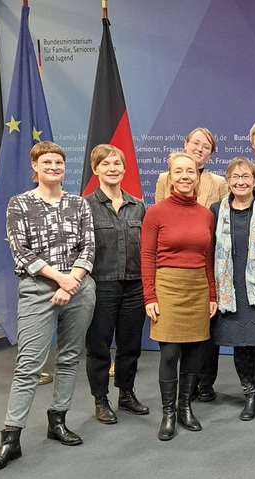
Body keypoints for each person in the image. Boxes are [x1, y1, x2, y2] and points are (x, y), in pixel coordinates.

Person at [0, 141, 96, 472]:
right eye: (46, 162)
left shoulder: (78, 204)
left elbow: (88, 246)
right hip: (37, 290)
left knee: (70, 357)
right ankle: (10, 438)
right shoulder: (19, 204)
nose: (53, 167)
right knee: (28, 365)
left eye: (59, 162)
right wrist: (59, 281)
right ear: (35, 167)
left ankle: (57, 421)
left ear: (65, 167)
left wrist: (71, 281)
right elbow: (22, 253)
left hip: (79, 288)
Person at [141, 151, 217, 441]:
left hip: (197, 287)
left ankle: (185, 408)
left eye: (191, 171)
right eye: (179, 172)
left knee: (194, 353)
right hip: (167, 286)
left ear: (198, 176)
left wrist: (212, 293)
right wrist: (149, 295)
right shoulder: (156, 212)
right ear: (170, 177)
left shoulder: (206, 214)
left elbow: (208, 258)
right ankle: (168, 413)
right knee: (170, 353)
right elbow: (147, 256)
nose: (185, 176)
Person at [155, 127, 228, 402]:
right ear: (186, 144)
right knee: (171, 349)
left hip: (202, 267)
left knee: (204, 338)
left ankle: (203, 384)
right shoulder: (164, 181)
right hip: (171, 274)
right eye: (195, 143)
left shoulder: (219, 182)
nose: (199, 148)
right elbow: (159, 228)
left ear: (211, 153)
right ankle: (173, 405)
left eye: (206, 146)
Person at [210, 158, 255, 423]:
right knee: (241, 346)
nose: (240, 182)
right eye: (235, 177)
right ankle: (249, 397)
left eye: (246, 177)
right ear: (228, 181)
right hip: (231, 290)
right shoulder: (216, 210)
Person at [83, 144, 149, 425]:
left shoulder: (138, 206)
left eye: (117, 164)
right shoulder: (84, 206)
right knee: (98, 347)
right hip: (101, 286)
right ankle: (100, 399)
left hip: (134, 285)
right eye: (106, 164)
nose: (112, 169)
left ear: (124, 168)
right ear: (95, 169)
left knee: (130, 345)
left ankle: (126, 393)